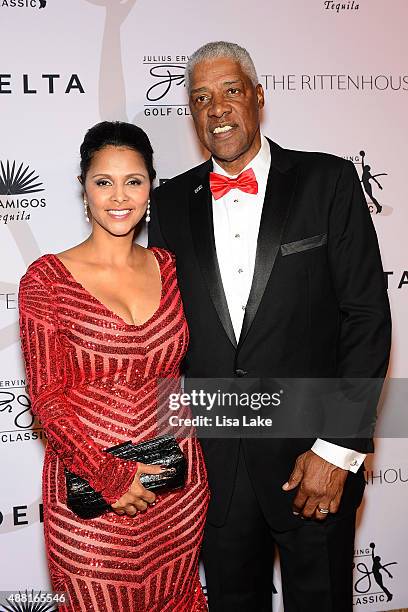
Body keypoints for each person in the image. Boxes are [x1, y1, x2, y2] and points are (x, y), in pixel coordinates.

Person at [148, 42, 392, 611]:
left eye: (231, 91)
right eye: (202, 98)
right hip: (215, 472)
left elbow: (366, 317)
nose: (218, 109)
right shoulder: (167, 204)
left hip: (314, 459)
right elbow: (162, 339)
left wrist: (337, 450)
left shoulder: (326, 181)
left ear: (258, 97)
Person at [19, 121, 209, 612]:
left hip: (176, 490)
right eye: (104, 181)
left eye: (134, 181)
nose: (119, 196)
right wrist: (112, 478)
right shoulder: (46, 280)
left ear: (151, 187)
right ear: (84, 189)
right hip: (90, 501)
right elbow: (47, 400)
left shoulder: (169, 267)